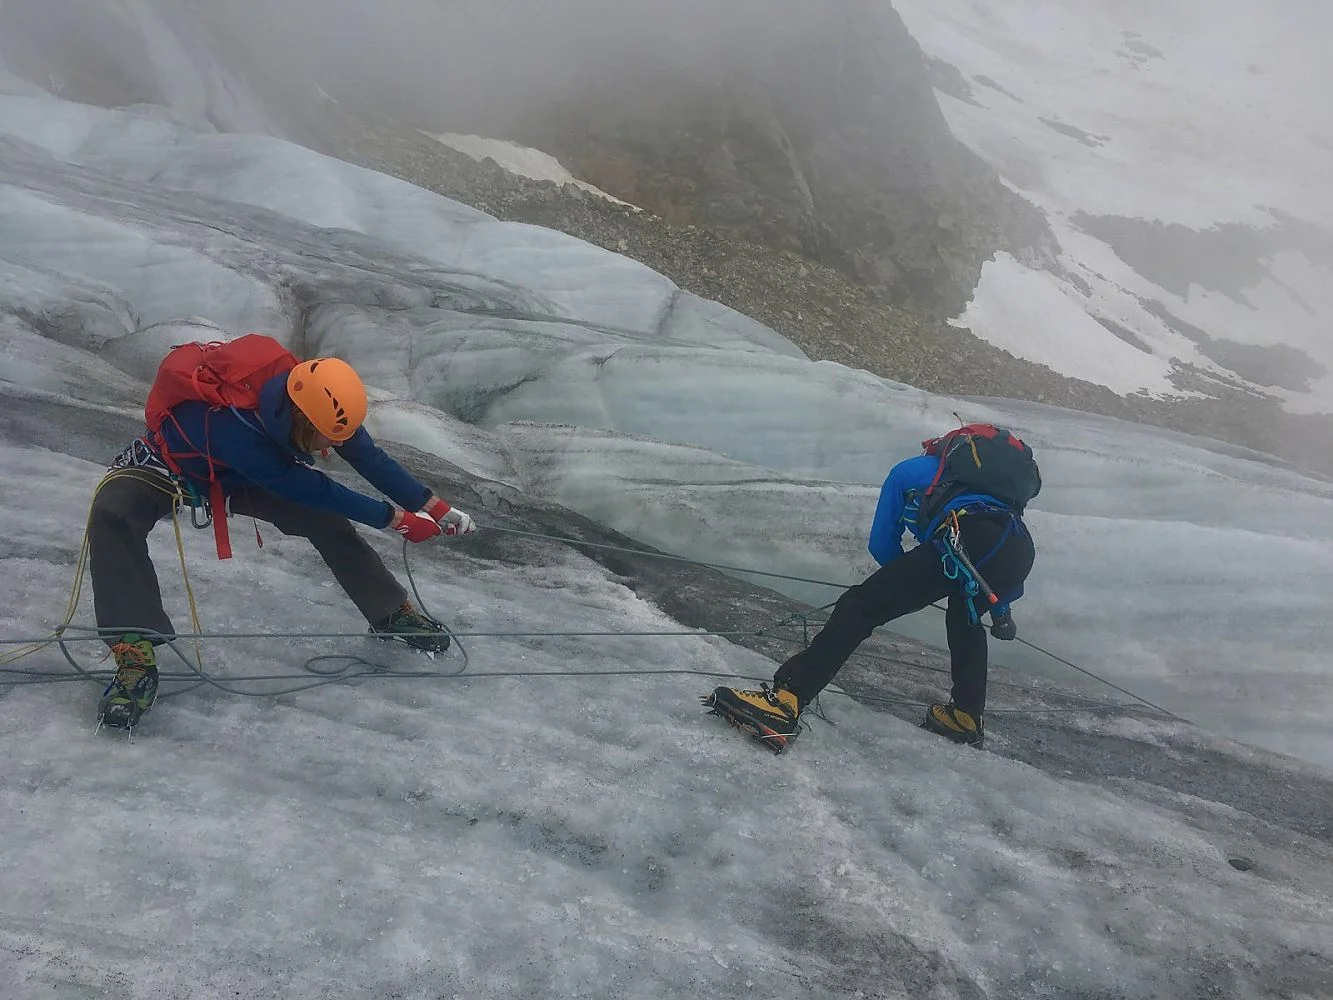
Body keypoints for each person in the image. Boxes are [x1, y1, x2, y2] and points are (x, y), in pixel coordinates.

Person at [90, 351, 476, 730]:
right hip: (170, 466)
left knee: (324, 521)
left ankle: (389, 611)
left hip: (238, 475)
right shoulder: (235, 428)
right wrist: (397, 520)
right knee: (114, 513)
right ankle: (134, 653)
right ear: (302, 421)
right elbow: (313, 489)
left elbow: (367, 456)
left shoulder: (318, 401)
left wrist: (434, 506)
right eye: (326, 439)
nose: (329, 448)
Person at [706, 428, 1038, 751]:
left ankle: (784, 702)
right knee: (965, 620)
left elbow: (882, 544)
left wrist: (899, 583)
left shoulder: (912, 471)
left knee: (860, 606)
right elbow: (999, 564)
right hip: (1019, 550)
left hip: (965, 536)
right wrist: (1002, 614)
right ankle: (965, 717)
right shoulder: (1001, 496)